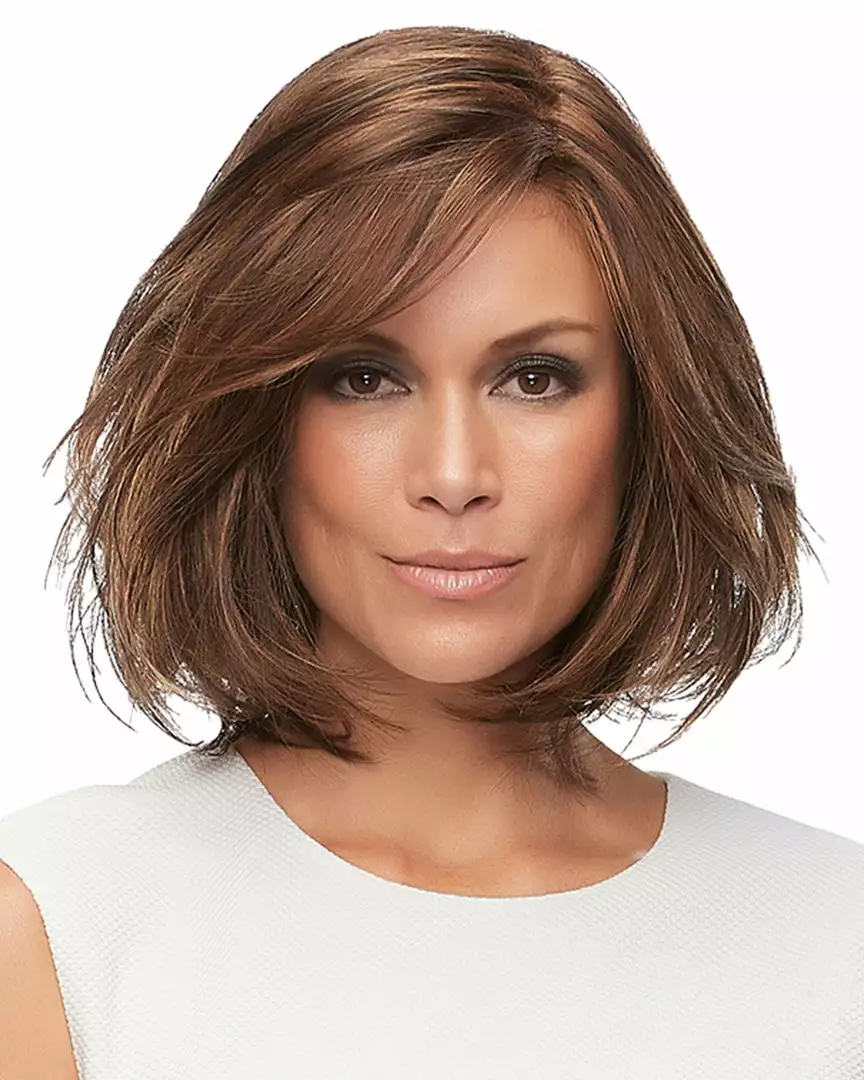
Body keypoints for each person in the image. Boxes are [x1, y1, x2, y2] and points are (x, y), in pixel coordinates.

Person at [1, 24, 861, 1080]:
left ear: (647, 418)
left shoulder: (834, 946)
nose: (454, 474)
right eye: (365, 378)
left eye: (535, 378)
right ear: (262, 417)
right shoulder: (58, 933)